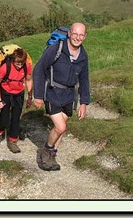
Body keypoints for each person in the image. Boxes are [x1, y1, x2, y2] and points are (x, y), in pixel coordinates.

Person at [32, 22, 90, 171]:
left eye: (81, 35)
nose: (77, 37)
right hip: (52, 92)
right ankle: (46, 151)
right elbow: (39, 69)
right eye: (75, 34)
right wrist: (38, 95)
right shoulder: (56, 49)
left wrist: (84, 102)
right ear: (69, 34)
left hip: (69, 95)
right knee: (60, 127)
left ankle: (52, 156)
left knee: (62, 129)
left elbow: (84, 79)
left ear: (85, 36)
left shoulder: (83, 56)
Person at [0, 48, 33, 153]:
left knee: (16, 118)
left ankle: (13, 141)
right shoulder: (5, 67)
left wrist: (30, 97)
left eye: (21, 63)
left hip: (19, 94)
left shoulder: (27, 66)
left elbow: (29, 80)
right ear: (13, 60)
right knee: (4, 119)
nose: (19, 66)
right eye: (17, 63)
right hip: (5, 93)